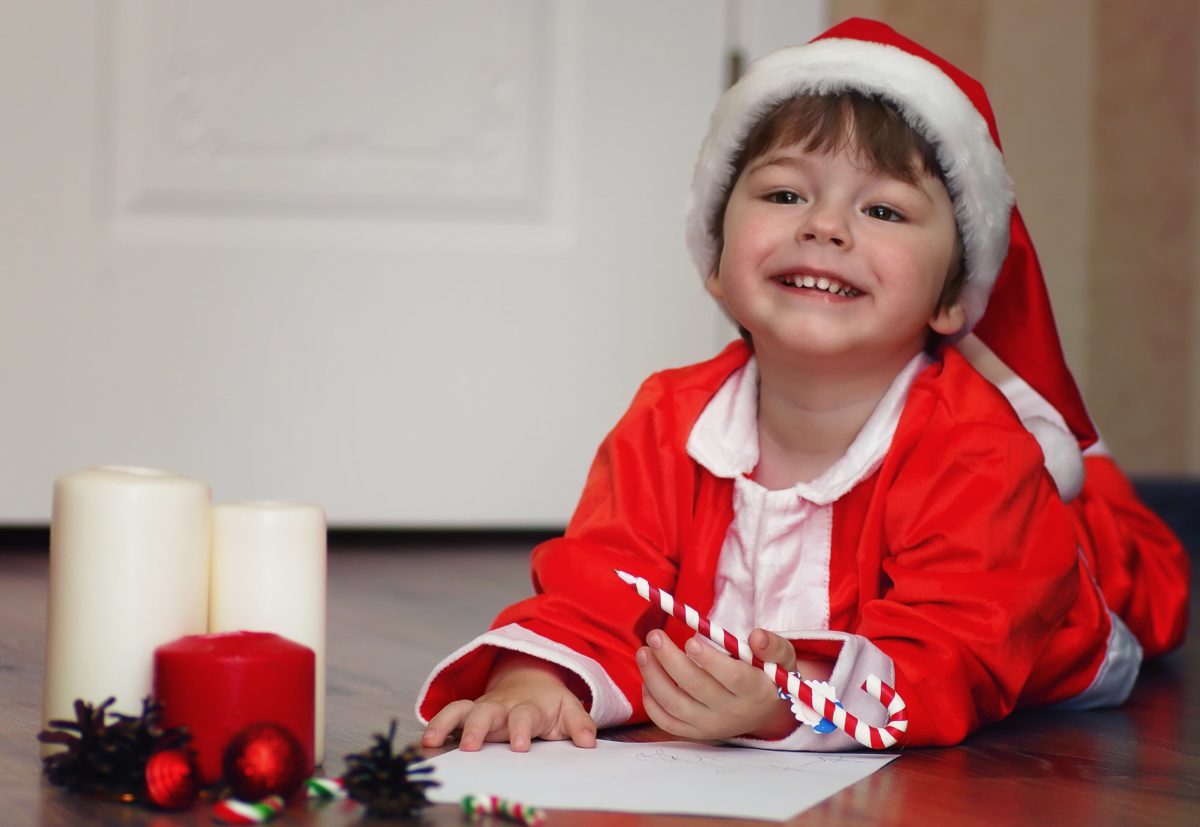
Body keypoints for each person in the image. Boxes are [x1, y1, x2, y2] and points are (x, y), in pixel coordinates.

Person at [416, 18, 1189, 752]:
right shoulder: (667, 418)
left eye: (883, 208)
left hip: (1045, 607)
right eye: (785, 195)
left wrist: (799, 694)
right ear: (716, 260)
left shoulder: (978, 448)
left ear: (954, 299)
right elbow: (600, 584)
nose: (824, 226)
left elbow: (954, 647)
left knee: (1129, 573)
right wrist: (537, 676)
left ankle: (1095, 502)